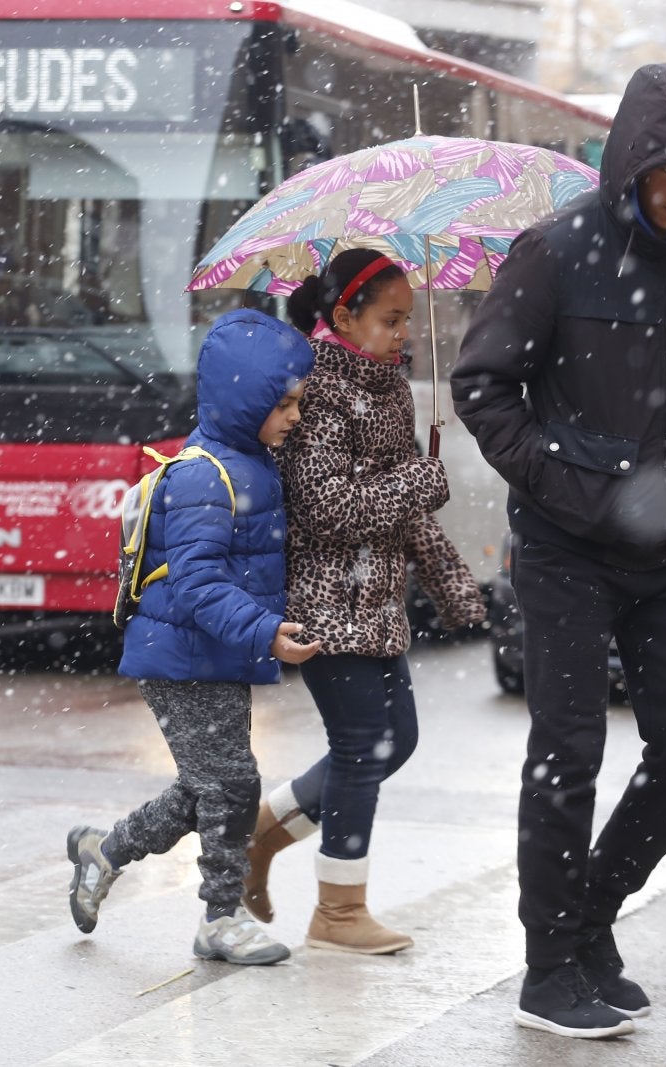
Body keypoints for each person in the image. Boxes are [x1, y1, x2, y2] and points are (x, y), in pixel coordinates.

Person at [450, 61, 666, 1039]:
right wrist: (571, 485)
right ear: (629, 162)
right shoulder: (554, 251)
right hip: (566, 549)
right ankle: (548, 969)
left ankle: (589, 918)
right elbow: (483, 387)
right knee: (568, 751)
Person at [242, 248, 485, 955]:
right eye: (390, 318)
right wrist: (418, 481)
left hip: (376, 602)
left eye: (407, 319)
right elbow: (326, 509)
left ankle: (264, 831)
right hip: (323, 599)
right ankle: (339, 910)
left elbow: (406, 509)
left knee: (394, 741)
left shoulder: (388, 388)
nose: (403, 332)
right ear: (345, 316)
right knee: (359, 748)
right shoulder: (316, 389)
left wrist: (455, 588)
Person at [66, 308, 322, 966]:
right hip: (182, 656)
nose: (295, 416)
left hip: (211, 653)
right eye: (284, 404)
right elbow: (198, 583)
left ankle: (104, 852)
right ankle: (221, 916)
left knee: (207, 787)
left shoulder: (252, 461)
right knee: (233, 785)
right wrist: (265, 631)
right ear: (246, 400)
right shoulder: (206, 474)